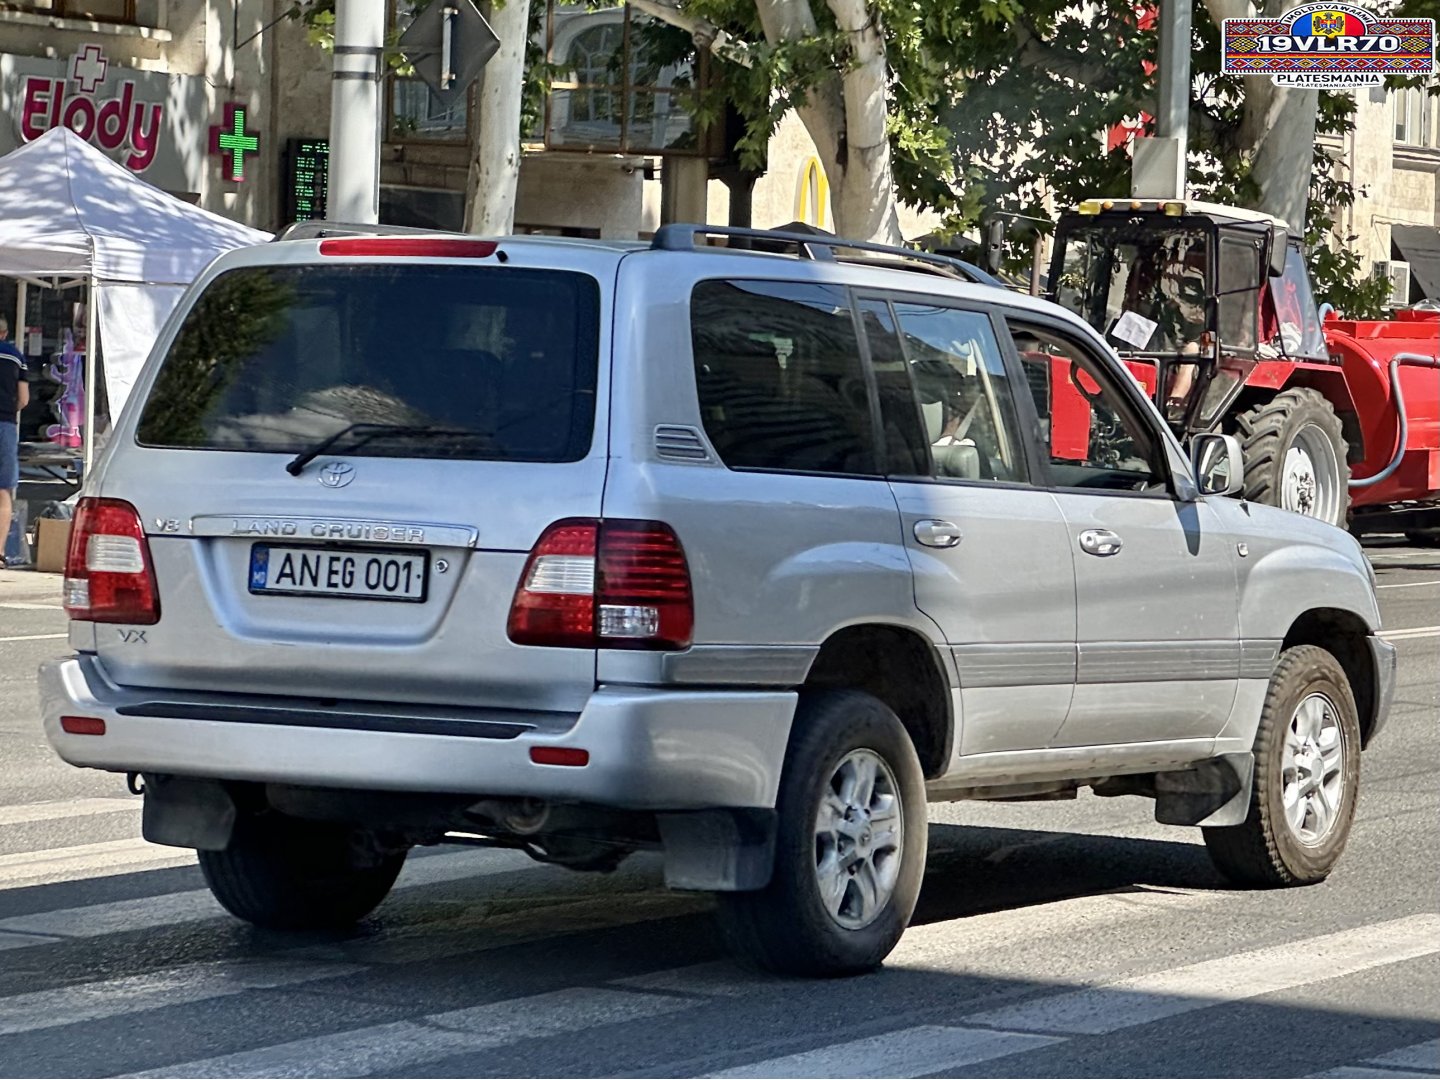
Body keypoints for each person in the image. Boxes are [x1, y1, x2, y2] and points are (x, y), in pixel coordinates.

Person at [0, 317, 31, 568]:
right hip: (5, 425)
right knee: (3, 490)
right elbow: (24, 399)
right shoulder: (16, 356)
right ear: (4, 333)